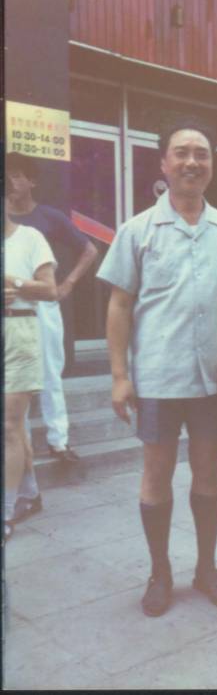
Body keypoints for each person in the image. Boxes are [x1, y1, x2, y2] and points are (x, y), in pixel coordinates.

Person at [97, 116, 217, 617]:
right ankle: (160, 572)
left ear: (212, 164)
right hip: (158, 377)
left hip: (211, 379)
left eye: (202, 154)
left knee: (208, 472)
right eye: (182, 153)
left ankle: (207, 569)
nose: (191, 162)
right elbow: (119, 304)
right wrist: (119, 376)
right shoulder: (138, 230)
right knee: (156, 473)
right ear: (163, 163)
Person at [6, 152, 98, 463]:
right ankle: (17, 445)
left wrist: (68, 283)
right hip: (9, 310)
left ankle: (58, 441)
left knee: (49, 374)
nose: (11, 182)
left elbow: (89, 250)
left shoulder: (48, 217)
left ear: (31, 181)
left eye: (17, 175)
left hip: (41, 306)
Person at [4, 195, 57, 540]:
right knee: (16, 427)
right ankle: (30, 493)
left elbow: (50, 290)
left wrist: (14, 282)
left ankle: (5, 511)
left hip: (18, 332)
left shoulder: (30, 238)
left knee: (9, 425)